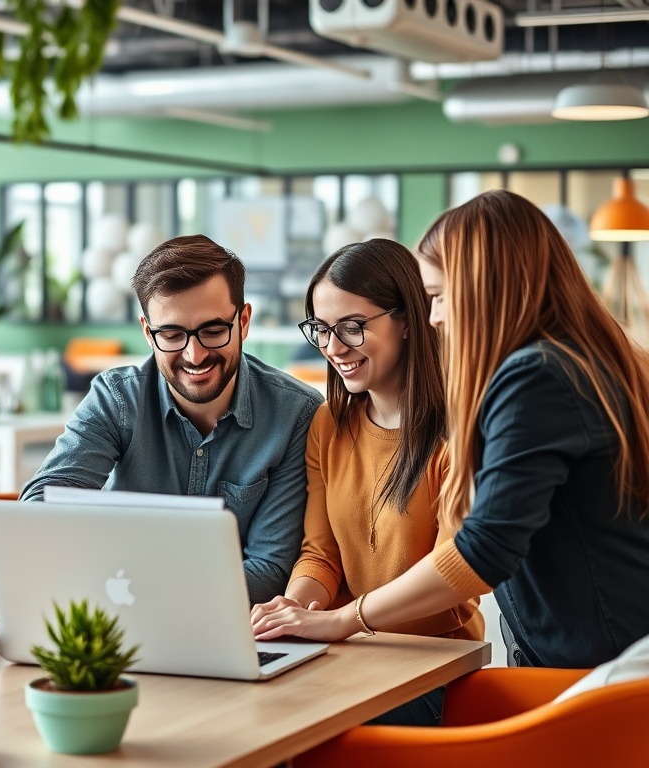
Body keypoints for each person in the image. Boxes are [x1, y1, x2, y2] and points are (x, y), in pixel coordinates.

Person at [252, 190, 649, 671]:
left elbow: (482, 551)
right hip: (598, 648)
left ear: (488, 287)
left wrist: (345, 619)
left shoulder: (536, 376)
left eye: (438, 297)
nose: (433, 317)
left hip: (598, 658)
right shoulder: (578, 361)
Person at [252, 238, 483, 726]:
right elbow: (321, 555)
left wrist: (341, 621)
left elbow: (453, 571)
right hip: (347, 654)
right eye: (322, 329)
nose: (334, 348)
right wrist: (293, 611)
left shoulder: (462, 431)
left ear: (407, 318)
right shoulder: (328, 424)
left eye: (353, 328)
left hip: (432, 665)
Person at [20, 234, 324, 604]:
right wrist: (22, 581)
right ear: (148, 333)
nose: (195, 355)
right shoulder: (117, 399)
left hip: (218, 630)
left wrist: (146, 594)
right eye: (172, 334)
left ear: (243, 322)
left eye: (213, 331)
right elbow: (46, 500)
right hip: (115, 615)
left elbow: (268, 569)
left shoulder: (297, 414)